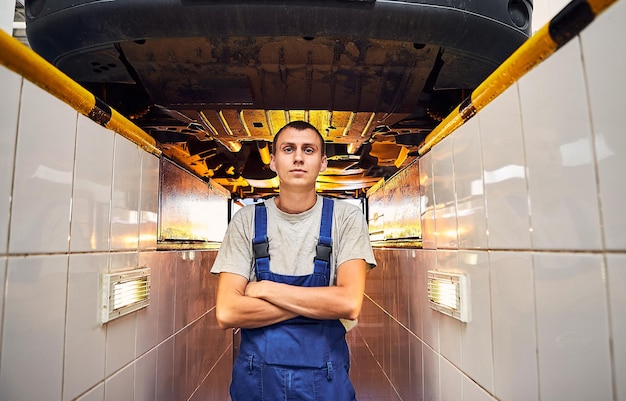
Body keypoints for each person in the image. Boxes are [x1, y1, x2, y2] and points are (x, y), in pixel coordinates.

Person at [211, 120, 377, 401]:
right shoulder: (246, 220)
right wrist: (321, 304)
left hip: (326, 382)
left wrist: (265, 290)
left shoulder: (346, 219)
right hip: (256, 383)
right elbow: (227, 312)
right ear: (273, 161)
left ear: (322, 162)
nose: (298, 157)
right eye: (289, 149)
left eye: (308, 150)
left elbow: (349, 304)